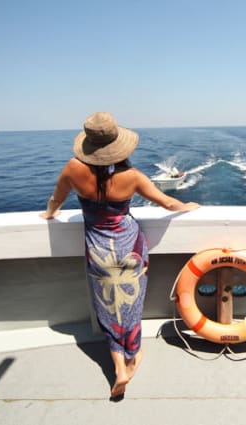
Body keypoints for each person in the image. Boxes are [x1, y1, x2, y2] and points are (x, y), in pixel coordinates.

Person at [39, 112, 199, 400]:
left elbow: (55, 200)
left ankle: (118, 368)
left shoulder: (73, 169)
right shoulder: (133, 176)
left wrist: (50, 214)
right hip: (130, 248)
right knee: (131, 307)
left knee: (107, 310)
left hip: (97, 251)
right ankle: (131, 356)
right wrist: (188, 206)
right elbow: (167, 203)